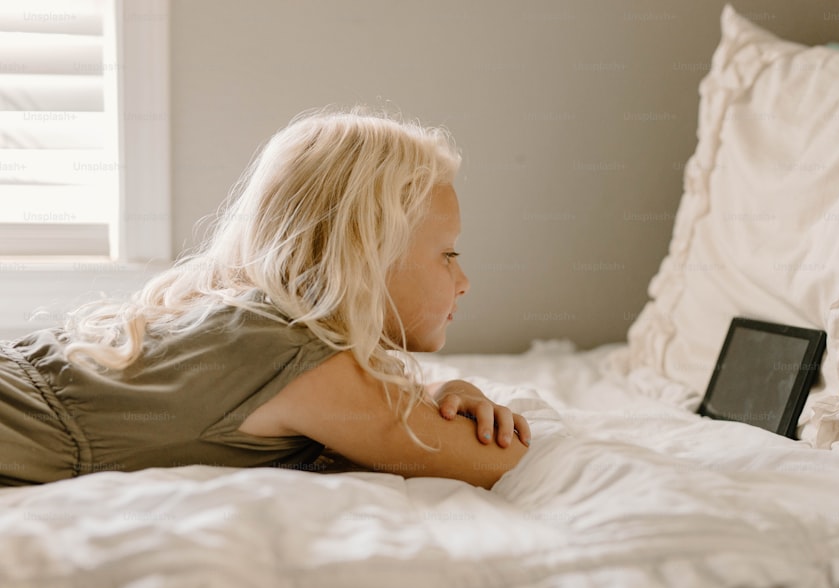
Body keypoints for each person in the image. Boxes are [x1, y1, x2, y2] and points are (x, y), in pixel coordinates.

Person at [0, 109, 531, 489]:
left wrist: (439, 389)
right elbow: (492, 461)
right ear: (366, 257)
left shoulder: (250, 324)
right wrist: (455, 403)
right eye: (448, 253)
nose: (464, 281)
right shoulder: (293, 353)